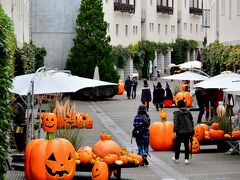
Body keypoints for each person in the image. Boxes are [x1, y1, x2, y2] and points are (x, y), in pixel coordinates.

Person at [172, 100, 194, 164]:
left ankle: (176, 158)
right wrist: (192, 130)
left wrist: (175, 131)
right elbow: (191, 121)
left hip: (180, 131)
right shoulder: (188, 112)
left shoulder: (177, 113)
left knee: (177, 145)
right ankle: (186, 159)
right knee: (186, 144)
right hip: (188, 131)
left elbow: (176, 122)